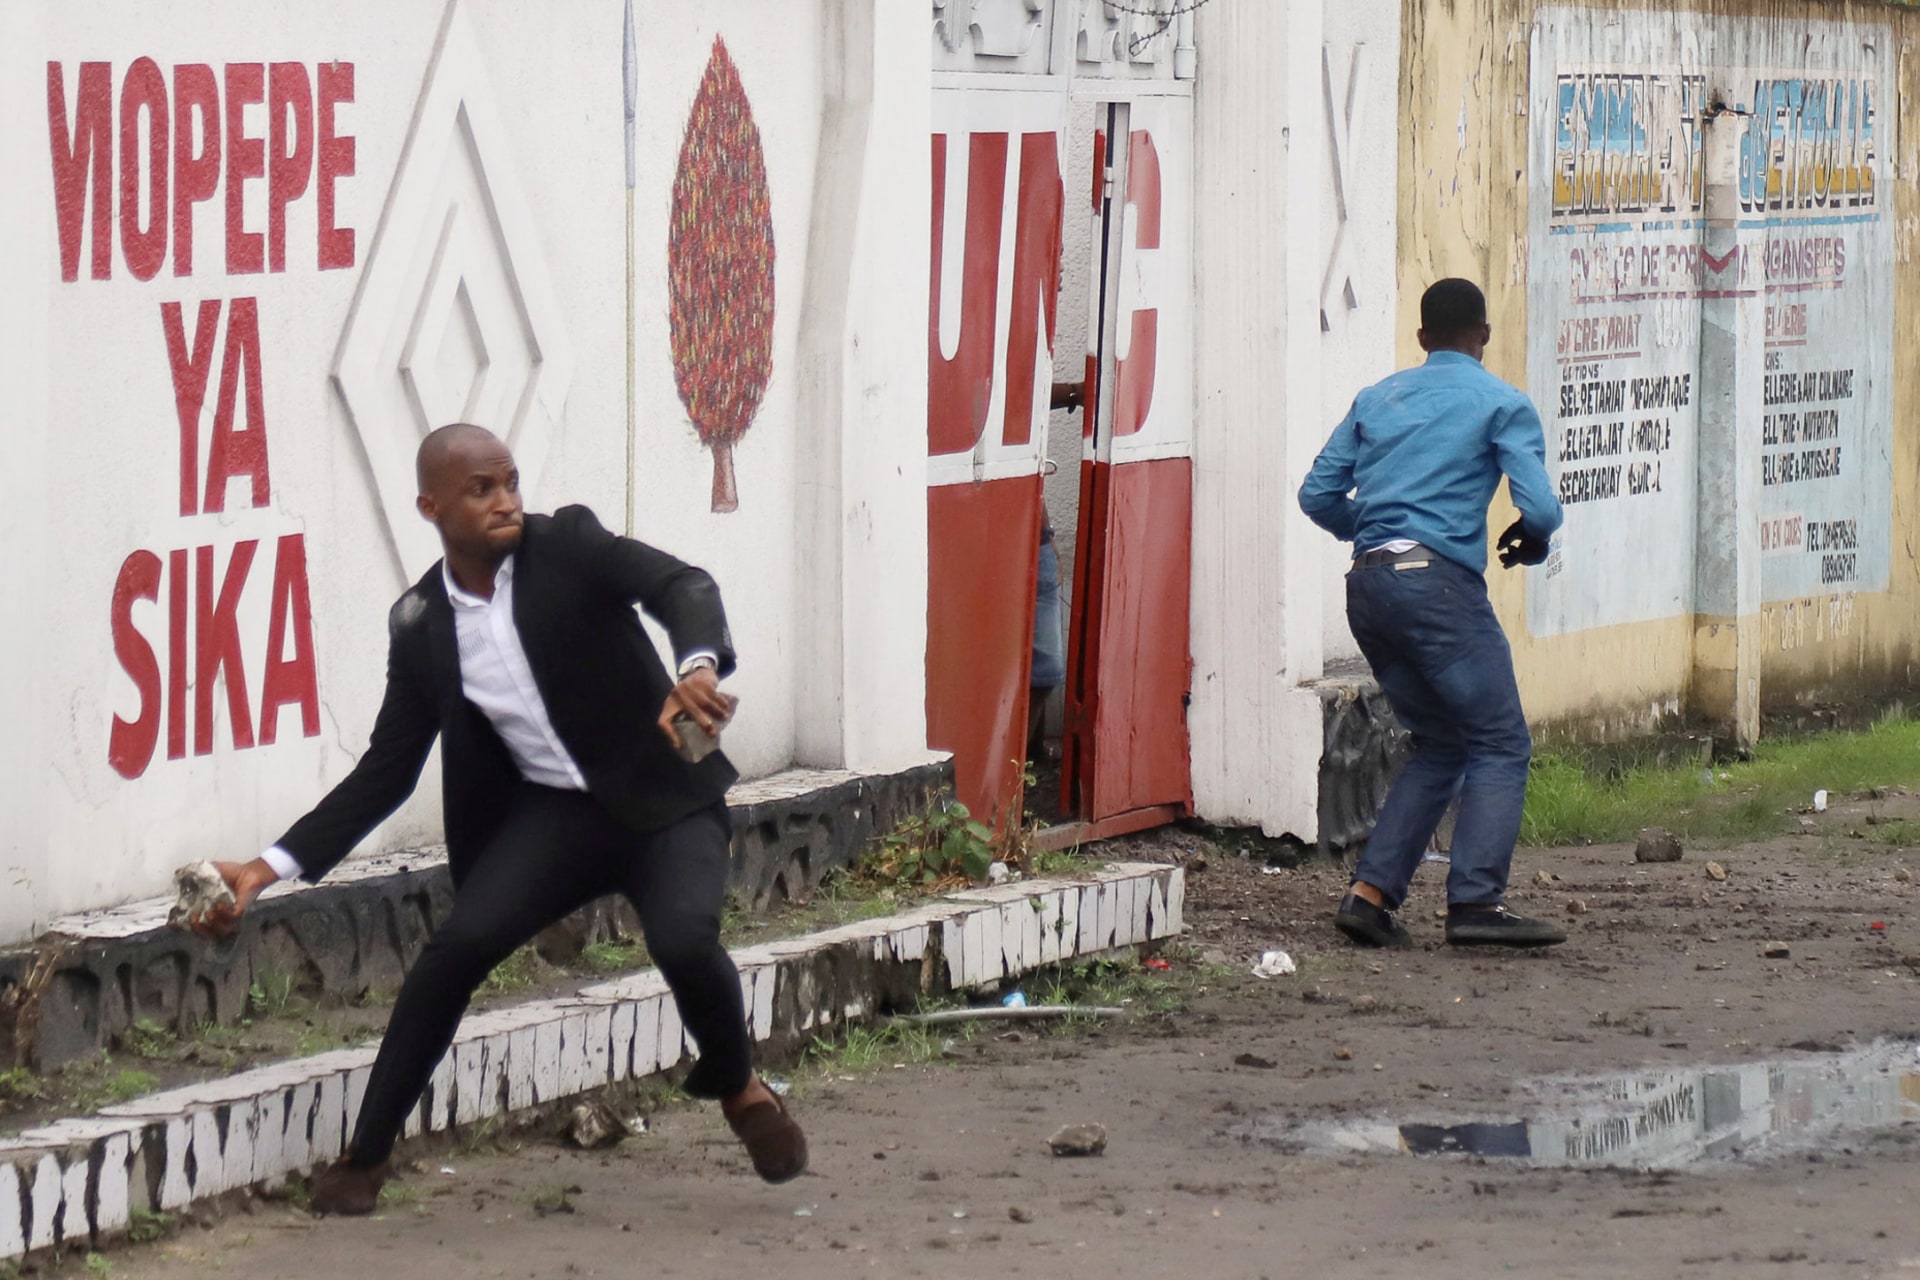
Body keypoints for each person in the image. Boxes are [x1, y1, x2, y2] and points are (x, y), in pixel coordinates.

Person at [189, 423, 805, 1212]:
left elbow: (682, 585)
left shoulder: (567, 544)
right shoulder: (420, 623)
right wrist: (267, 867)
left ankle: (741, 1088)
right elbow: (387, 771)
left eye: (510, 482)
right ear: (432, 507)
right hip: (557, 820)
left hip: (665, 796)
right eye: (481, 490)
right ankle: (365, 1159)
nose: (506, 501)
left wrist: (698, 668)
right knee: (454, 953)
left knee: (684, 940)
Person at [1297, 279, 1567, 949]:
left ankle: (1369, 896)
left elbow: (1317, 494)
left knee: (1442, 743)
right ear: (1484, 334)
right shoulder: (1501, 403)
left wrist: (1379, 529)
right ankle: (1476, 902)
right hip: (1438, 590)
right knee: (1500, 740)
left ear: (1421, 338)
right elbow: (1539, 509)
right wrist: (1530, 537)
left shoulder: (1377, 398)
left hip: (1369, 586)